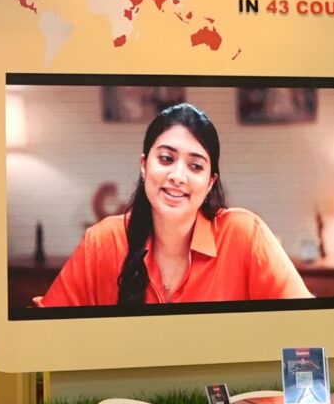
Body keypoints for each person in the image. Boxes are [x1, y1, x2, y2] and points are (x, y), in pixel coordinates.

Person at [38, 102, 311, 309]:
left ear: (210, 182)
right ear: (144, 166)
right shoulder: (102, 241)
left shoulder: (244, 235)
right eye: (166, 159)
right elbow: (44, 332)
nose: (178, 176)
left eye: (195, 166)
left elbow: (306, 324)